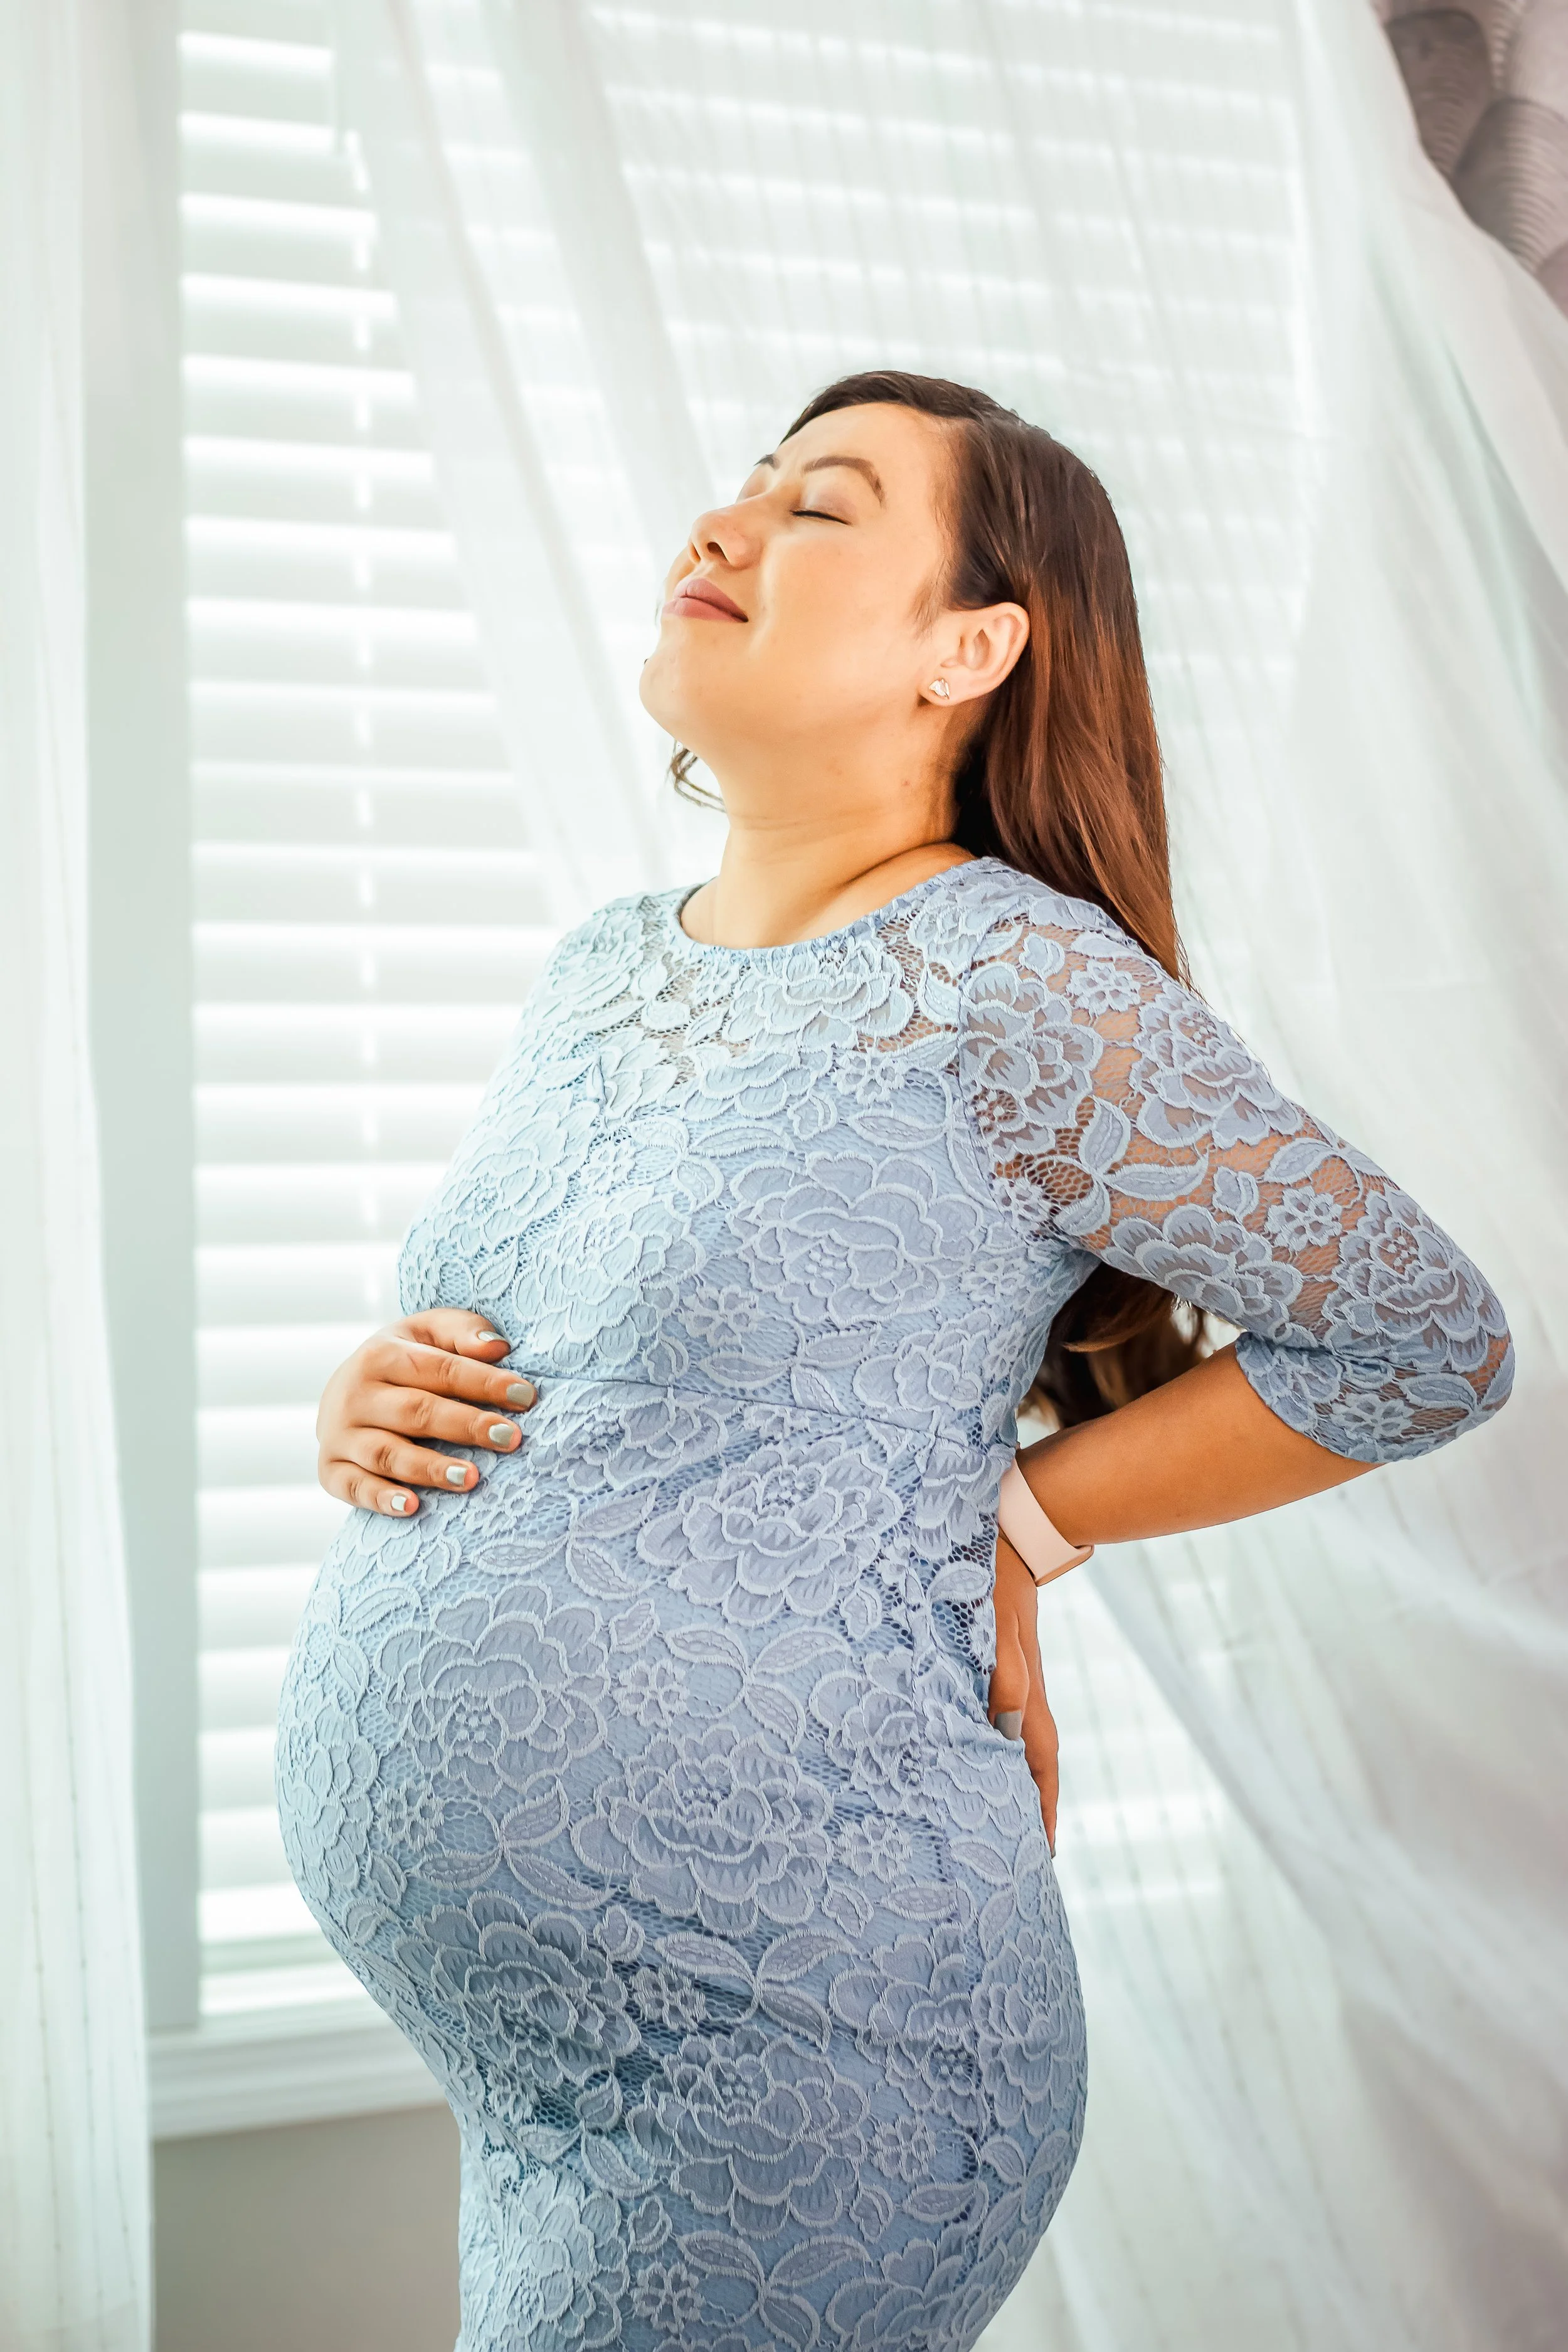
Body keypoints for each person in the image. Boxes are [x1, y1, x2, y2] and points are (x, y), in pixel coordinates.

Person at [277, 372, 1513, 2351]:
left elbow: (1418, 1339)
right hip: (535, 2068)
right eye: (737, 489)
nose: (721, 528)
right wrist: (373, 1397)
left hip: (806, 2045)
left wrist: (1022, 1524)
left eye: (818, 507)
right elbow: (617, 1361)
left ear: (971, 646)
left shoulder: (1010, 977)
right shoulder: (604, 962)